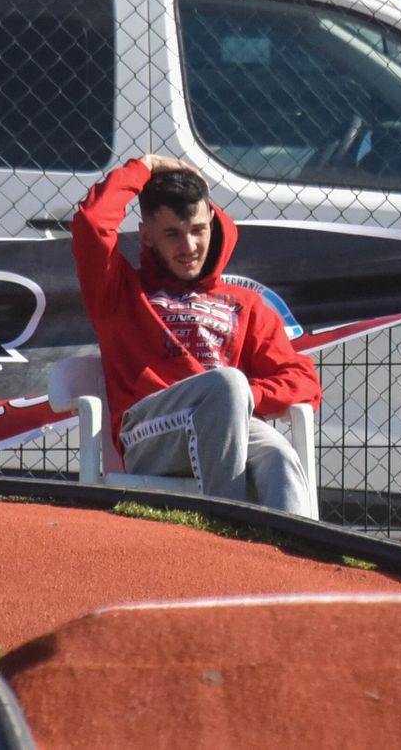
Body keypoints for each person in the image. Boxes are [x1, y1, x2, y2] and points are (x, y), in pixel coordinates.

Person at [71, 154, 321, 516]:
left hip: (231, 424)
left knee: (279, 456)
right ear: (147, 235)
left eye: (198, 230)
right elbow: (91, 224)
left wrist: (239, 400)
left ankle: (296, 565)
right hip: (151, 433)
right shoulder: (120, 291)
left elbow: (302, 381)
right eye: (172, 234)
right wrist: (144, 167)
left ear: (213, 225)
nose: (188, 247)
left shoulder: (245, 304)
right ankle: (222, 534)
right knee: (228, 384)